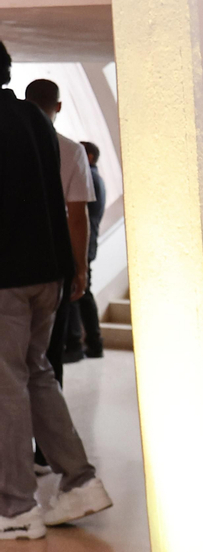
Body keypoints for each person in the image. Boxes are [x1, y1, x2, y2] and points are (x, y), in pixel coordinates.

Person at [0, 44, 110, 540]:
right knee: (37, 374)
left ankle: (17, 507)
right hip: (46, 272)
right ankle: (80, 481)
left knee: (7, 384)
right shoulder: (34, 119)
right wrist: (73, 269)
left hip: (5, 277)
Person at [24, 79, 93, 385]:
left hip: (15, 263)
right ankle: (48, 428)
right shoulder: (72, 150)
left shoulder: (11, 146)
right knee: (50, 355)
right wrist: (81, 269)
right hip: (55, 262)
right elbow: (77, 217)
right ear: (59, 106)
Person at [64, 140, 106, 362]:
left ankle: (77, 344)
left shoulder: (88, 177)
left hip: (81, 244)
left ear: (88, 157)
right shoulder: (97, 178)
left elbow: (79, 216)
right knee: (84, 293)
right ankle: (93, 343)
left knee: (78, 292)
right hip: (88, 244)